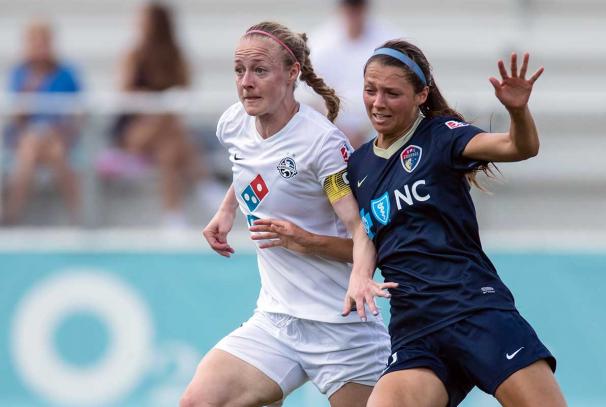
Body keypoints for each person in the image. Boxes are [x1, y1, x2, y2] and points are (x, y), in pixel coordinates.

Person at [180, 22, 394, 407]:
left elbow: (362, 233)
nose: (246, 82)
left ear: (292, 72)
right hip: (276, 323)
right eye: (239, 70)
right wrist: (227, 209)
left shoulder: (322, 145)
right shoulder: (233, 124)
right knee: (199, 401)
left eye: (259, 70)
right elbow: (252, 167)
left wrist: (309, 244)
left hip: (341, 328)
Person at [343, 40, 567, 406]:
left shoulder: (441, 134)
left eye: (392, 93)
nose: (378, 103)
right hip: (414, 327)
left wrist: (518, 112)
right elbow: (362, 235)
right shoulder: (358, 166)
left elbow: (519, 147)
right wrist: (304, 242)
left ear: (421, 95)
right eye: (370, 90)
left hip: (473, 307)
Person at [108, 2, 223, 227]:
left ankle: (173, 216)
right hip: (135, 130)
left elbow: (185, 88)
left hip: (166, 134)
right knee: (170, 123)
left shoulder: (175, 55)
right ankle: (204, 184)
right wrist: (156, 104)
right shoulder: (134, 54)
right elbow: (125, 93)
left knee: (169, 151)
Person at [3, 19, 82, 225]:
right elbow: (16, 117)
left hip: (58, 135)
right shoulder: (19, 73)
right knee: (30, 148)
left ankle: (77, 216)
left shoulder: (66, 74)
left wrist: (59, 130)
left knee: (54, 150)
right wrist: (30, 88)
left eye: (43, 42)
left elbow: (78, 111)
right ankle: (12, 216)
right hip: (26, 136)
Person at [306, 0, 398, 148]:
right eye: (349, 5)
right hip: (329, 130)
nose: (353, 11)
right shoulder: (319, 43)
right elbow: (309, 98)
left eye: (357, 5)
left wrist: (363, 130)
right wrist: (336, 130)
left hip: (379, 128)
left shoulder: (389, 40)